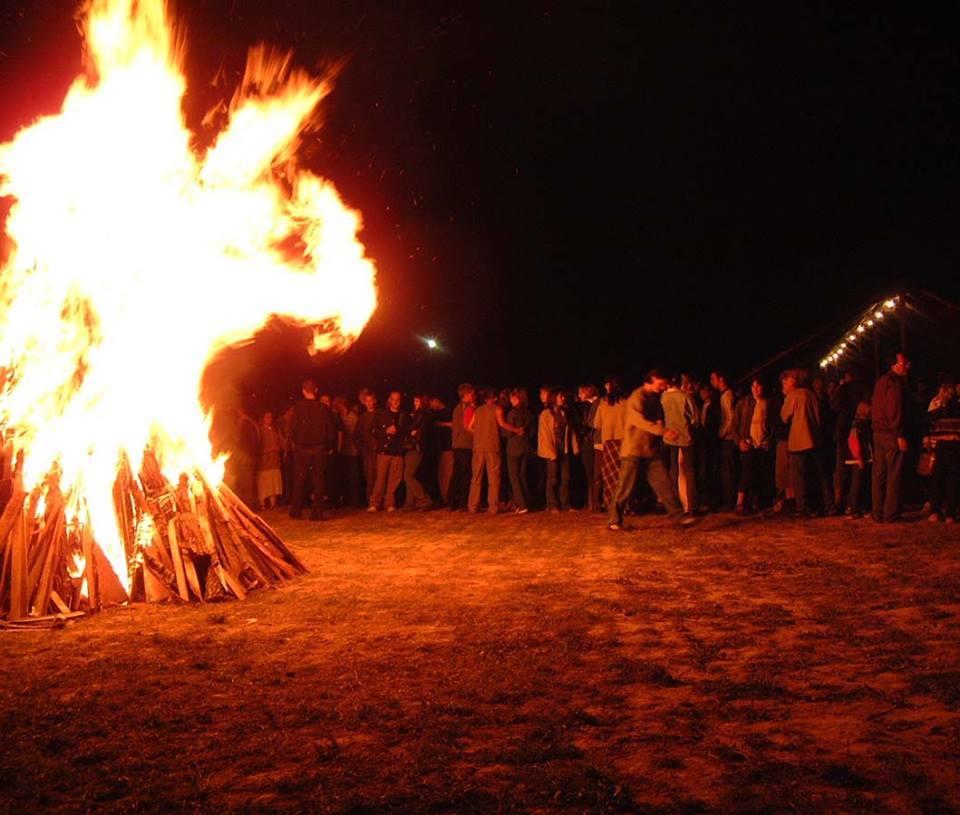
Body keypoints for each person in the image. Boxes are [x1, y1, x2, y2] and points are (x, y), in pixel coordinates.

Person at [607, 369, 689, 530]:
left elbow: (659, 417)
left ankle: (678, 517)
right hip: (634, 450)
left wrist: (662, 429)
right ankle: (614, 520)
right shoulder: (637, 397)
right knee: (625, 487)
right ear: (651, 381)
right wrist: (664, 431)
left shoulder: (655, 398)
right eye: (661, 383)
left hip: (650, 450)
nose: (664, 387)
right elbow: (639, 421)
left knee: (664, 483)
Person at [780, 368, 833, 517]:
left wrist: (786, 398)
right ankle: (827, 505)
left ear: (792, 381)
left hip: (798, 442)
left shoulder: (793, 395)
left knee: (799, 477)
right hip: (815, 440)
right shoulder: (811, 394)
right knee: (819, 475)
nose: (784, 385)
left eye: (785, 381)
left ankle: (802, 508)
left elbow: (784, 417)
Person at [289, 379, 337, 521]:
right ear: (316, 390)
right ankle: (316, 513)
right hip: (319, 448)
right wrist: (329, 446)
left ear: (303, 391)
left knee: (299, 479)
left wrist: (296, 443)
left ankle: (295, 511)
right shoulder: (323, 408)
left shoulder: (297, 407)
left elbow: (292, 429)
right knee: (318, 480)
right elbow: (330, 431)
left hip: (302, 448)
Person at [871, 352, 910, 523]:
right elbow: (895, 410)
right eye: (904, 363)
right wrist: (899, 434)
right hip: (890, 433)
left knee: (879, 475)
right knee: (894, 474)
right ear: (894, 364)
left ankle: (877, 512)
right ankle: (891, 514)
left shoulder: (880, 382)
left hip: (878, 432)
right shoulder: (894, 384)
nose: (907, 365)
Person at [467, 389, 520, 514]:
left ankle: (472, 506)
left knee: (476, 478)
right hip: (492, 448)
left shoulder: (478, 411)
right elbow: (502, 424)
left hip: (478, 448)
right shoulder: (497, 409)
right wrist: (516, 430)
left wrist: (479, 434)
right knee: (494, 479)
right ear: (494, 398)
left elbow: (469, 427)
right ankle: (493, 507)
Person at [830, 369, 869, 509]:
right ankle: (857, 501)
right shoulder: (865, 388)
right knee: (859, 466)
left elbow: (834, 405)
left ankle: (839, 501)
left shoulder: (844, 389)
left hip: (844, 428)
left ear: (847, 376)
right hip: (861, 426)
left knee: (841, 468)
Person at [733, 378, 773, 513]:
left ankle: (756, 502)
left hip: (761, 444)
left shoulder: (768, 403)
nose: (756, 389)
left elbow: (771, 425)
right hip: (748, 443)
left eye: (759, 386)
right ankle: (740, 503)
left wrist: (769, 440)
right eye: (753, 386)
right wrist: (740, 441)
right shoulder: (743, 403)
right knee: (746, 473)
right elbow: (735, 426)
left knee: (760, 473)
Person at [662, 374, 699, 516]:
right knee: (688, 471)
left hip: (669, 438)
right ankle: (690, 506)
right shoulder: (685, 397)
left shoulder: (663, 397)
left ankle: (675, 505)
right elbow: (695, 419)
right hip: (686, 438)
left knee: (675, 471)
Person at [369, 390, 410, 512]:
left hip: (397, 452)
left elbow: (407, 431)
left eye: (398, 400)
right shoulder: (381, 414)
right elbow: (372, 431)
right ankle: (375, 503)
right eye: (393, 399)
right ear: (389, 400)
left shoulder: (404, 415)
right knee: (380, 479)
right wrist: (385, 431)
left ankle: (389, 503)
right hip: (384, 451)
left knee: (394, 480)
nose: (395, 402)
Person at [538, 389, 579, 512]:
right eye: (561, 396)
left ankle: (565, 504)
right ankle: (552, 505)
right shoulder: (546, 414)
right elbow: (544, 434)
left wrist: (575, 446)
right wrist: (550, 452)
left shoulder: (563, 413)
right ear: (554, 398)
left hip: (564, 449)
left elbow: (570, 431)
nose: (563, 398)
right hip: (552, 449)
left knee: (566, 478)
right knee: (553, 479)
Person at [926, 375, 960, 523]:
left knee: (945, 479)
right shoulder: (938, 406)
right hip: (948, 445)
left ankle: (943, 512)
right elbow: (929, 424)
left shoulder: (945, 409)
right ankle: (943, 512)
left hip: (948, 445)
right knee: (945, 479)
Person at [594, 377, 625, 511]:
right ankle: (625, 504)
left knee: (610, 476)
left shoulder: (603, 403)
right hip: (623, 441)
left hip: (608, 442)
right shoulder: (625, 402)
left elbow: (597, 423)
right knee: (623, 475)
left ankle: (611, 503)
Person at [402, 394, 433, 511]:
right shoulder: (417, 414)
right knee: (409, 475)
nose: (415, 403)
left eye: (417, 401)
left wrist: (406, 429)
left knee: (408, 476)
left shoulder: (421, 414)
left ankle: (425, 500)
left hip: (416, 447)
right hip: (412, 448)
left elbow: (412, 428)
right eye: (414, 400)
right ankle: (410, 503)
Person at [505, 388, 534, 514]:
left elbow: (507, 433)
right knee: (523, 476)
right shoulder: (529, 413)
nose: (510, 400)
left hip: (514, 448)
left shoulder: (512, 413)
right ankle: (528, 502)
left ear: (517, 399)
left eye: (512, 398)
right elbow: (532, 433)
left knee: (514, 477)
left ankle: (522, 505)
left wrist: (510, 430)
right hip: (526, 447)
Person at [448, 384, 476, 511]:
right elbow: (467, 426)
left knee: (457, 474)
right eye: (471, 394)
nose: (473, 396)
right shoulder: (467, 408)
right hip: (465, 445)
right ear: (466, 395)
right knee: (465, 474)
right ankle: (462, 503)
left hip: (457, 445)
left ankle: (452, 502)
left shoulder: (457, 408)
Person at [844, 400, 872, 518]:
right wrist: (859, 457)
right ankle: (852, 508)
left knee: (861, 483)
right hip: (857, 458)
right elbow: (853, 442)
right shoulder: (858, 425)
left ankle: (860, 507)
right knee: (856, 484)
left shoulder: (863, 425)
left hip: (862, 457)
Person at [333, 396, 362, 508]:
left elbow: (357, 433)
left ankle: (354, 501)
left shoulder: (352, 417)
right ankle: (346, 499)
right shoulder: (339, 417)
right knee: (345, 477)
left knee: (353, 477)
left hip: (352, 451)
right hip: (344, 451)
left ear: (342, 405)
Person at [577, 384, 602, 511]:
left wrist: (582, 433)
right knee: (596, 473)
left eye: (580, 393)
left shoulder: (586, 406)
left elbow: (586, 423)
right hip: (597, 440)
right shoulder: (601, 402)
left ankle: (593, 501)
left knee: (590, 473)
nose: (579, 396)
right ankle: (594, 501)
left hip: (589, 440)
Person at [716, 372, 738, 511]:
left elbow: (731, 417)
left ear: (721, 379)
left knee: (728, 470)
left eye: (714, 378)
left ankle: (729, 501)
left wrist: (723, 433)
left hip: (728, 438)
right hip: (727, 437)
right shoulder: (725, 395)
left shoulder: (727, 396)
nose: (712, 382)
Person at [429, 395, 454, 504]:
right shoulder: (435, 414)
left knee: (447, 474)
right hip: (439, 449)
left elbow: (455, 424)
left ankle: (449, 498)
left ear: (437, 400)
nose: (430, 405)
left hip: (448, 447)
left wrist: (441, 424)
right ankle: (444, 498)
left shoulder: (448, 412)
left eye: (431, 402)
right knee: (441, 475)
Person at [256, 411, 283, 509]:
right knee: (263, 482)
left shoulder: (275, 430)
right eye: (267, 417)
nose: (269, 419)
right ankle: (262, 503)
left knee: (273, 482)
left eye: (270, 417)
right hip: (264, 461)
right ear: (263, 418)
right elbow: (257, 446)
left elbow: (281, 444)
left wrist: (277, 448)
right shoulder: (259, 430)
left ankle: (273, 504)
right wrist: (267, 450)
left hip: (274, 460)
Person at [356, 389, 379, 505]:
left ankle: (378, 500)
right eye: (367, 401)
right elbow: (357, 436)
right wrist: (363, 450)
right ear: (364, 402)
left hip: (379, 452)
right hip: (368, 454)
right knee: (370, 478)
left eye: (371, 401)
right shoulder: (362, 418)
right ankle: (370, 501)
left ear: (374, 401)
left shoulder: (380, 414)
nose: (369, 403)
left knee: (379, 477)